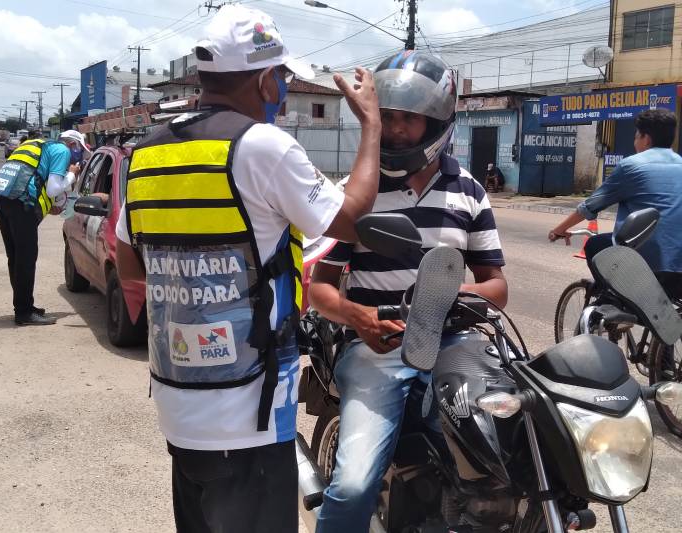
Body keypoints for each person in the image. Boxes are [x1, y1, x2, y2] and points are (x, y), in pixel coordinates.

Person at [115, 5, 382, 532]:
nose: (282, 89)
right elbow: (349, 217)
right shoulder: (261, 147)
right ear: (264, 80)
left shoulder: (147, 152)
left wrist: (196, 290)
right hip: (247, 413)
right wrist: (370, 125)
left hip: (178, 403)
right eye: (281, 78)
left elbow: (129, 260)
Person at [307, 50, 508, 533]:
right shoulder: (360, 192)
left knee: (500, 456)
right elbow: (319, 290)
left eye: (409, 120)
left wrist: (449, 297)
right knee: (353, 485)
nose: (395, 129)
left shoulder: (469, 192)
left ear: (436, 122)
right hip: (378, 349)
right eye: (388, 118)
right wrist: (360, 319)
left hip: (454, 345)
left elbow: (496, 287)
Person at [549, 108, 682, 299]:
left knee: (594, 245)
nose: (635, 141)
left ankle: (613, 300)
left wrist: (558, 230)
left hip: (649, 269)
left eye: (637, 135)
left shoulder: (632, 166)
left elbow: (590, 206)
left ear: (646, 138)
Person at [0, 130, 88, 325]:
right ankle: (24, 313)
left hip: (2, 197)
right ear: (73, 145)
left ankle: (24, 305)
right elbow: (53, 188)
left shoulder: (35, 145)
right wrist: (72, 176)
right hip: (19, 202)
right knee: (26, 258)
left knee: (15, 256)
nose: (76, 157)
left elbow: (34, 179)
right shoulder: (62, 150)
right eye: (79, 151)